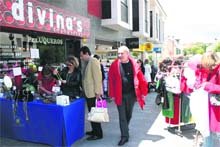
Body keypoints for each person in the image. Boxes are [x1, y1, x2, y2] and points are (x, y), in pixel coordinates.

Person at [108, 46, 148, 146]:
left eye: (121, 53)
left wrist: (143, 93)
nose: (119, 55)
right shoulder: (114, 65)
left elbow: (141, 79)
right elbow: (111, 80)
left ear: (127, 54)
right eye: (118, 53)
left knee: (128, 115)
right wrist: (112, 94)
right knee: (122, 116)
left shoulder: (134, 64)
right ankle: (124, 136)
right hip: (119, 94)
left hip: (131, 95)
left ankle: (125, 128)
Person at [80, 46, 103, 141]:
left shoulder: (93, 61)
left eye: (82, 56)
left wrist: (98, 92)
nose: (81, 58)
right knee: (91, 113)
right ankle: (94, 130)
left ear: (86, 53)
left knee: (95, 114)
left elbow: (98, 78)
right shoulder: (87, 62)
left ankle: (98, 134)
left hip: (93, 93)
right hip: (89, 92)